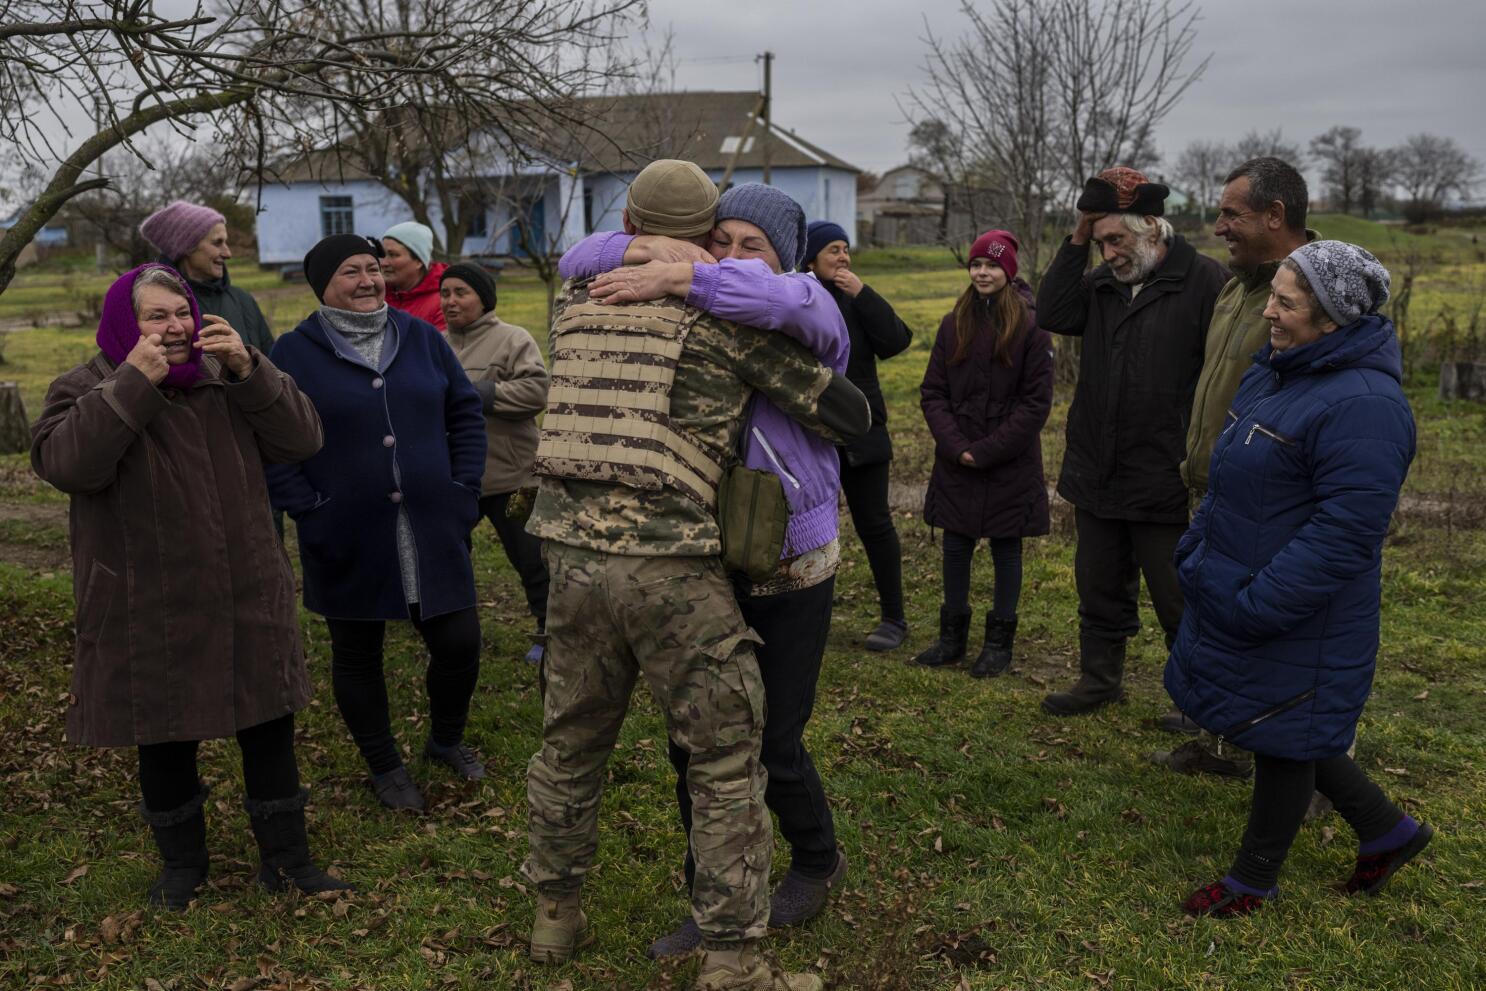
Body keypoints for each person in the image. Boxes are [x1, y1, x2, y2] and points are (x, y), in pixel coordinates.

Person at [522, 160, 869, 991]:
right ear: (706, 235)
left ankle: (554, 916)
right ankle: (733, 958)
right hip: (673, 568)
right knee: (723, 757)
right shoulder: (714, 319)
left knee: (570, 741)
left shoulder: (573, 304)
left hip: (567, 560)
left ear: (628, 223)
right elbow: (846, 412)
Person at [31, 263, 349, 909]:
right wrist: (132, 383)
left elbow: (303, 438)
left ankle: (288, 861)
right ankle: (182, 867)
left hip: (244, 587)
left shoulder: (224, 378)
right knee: (165, 733)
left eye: (183, 313)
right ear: (125, 324)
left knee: (267, 725)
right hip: (148, 601)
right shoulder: (86, 385)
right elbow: (68, 466)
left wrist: (251, 369)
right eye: (156, 316)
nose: (175, 327)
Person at [1166, 241, 1431, 916]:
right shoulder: (1277, 372)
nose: (1269, 313)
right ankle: (1387, 830)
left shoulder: (1366, 405)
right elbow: (1230, 476)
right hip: (1248, 583)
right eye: (1273, 297)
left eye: (1286, 303)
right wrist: (1198, 548)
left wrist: (1261, 601)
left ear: (1332, 319)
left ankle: (1252, 881)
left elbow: (1347, 530)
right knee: (1282, 717)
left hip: (1300, 605)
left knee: (1283, 731)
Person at [267, 234, 486, 813]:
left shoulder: (420, 337)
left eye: (374, 267)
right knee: (358, 651)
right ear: (323, 285)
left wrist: (465, 489)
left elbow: (464, 411)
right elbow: (271, 440)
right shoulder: (293, 352)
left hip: (433, 523)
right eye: (351, 272)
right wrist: (307, 507)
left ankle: (446, 740)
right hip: (346, 529)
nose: (368, 280)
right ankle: (385, 765)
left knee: (459, 641)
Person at [1036, 167, 1228, 716]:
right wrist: (1079, 236)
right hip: (1098, 466)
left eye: (1115, 240)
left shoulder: (1205, 282)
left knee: (1177, 595)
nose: (1109, 253)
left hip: (1164, 472)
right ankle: (1099, 681)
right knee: (1098, 586)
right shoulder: (1104, 284)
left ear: (1151, 227)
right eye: (1100, 243)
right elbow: (1052, 312)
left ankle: (1198, 702)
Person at [1152, 157, 1319, 778]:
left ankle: (1309, 773)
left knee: (1292, 639)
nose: (1218, 227)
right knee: (1216, 622)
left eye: (1231, 214)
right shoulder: (1235, 287)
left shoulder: (1319, 294)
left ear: (1275, 215)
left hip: (1275, 498)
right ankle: (1224, 744)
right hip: (1214, 489)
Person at [916, 230, 1053, 677]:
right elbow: (933, 392)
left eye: (992, 265)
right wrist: (957, 447)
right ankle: (951, 638)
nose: (982, 272)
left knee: (1006, 547)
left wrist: (989, 451)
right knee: (955, 544)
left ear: (1008, 271)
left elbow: (1036, 403)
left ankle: (998, 643)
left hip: (1009, 460)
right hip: (956, 457)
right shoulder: (953, 323)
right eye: (976, 264)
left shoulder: (1031, 328)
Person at [800, 220, 914, 651]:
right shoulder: (799, 300)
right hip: (812, 434)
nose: (844, 257)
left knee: (875, 524)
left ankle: (894, 618)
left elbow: (897, 341)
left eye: (846, 249)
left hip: (864, 432)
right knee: (812, 530)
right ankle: (809, 616)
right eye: (833, 250)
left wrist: (864, 293)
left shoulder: (857, 299)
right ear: (811, 258)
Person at [439, 262, 552, 664]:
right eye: (445, 293)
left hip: (511, 476)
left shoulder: (512, 339)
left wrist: (479, 393)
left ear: (484, 298)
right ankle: (455, 634)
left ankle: (549, 634)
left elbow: (537, 392)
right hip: (457, 478)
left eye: (461, 292)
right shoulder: (436, 344)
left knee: (533, 560)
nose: (451, 301)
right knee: (448, 560)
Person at [382, 221, 449, 331]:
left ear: (419, 261)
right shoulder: (375, 296)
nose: (383, 263)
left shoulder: (444, 304)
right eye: (382, 254)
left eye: (393, 255)